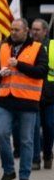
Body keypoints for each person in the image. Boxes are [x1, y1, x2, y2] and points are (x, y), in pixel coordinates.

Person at [0, 18, 48, 180]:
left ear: (26, 31)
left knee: (26, 141)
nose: (13, 32)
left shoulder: (38, 48)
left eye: (17, 29)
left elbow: (41, 72)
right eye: (12, 29)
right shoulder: (3, 47)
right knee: (1, 135)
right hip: (6, 99)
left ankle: (24, 176)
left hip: (28, 101)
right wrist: (0, 73)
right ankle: (9, 170)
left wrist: (19, 65)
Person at [32, 17, 54, 170]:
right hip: (32, 94)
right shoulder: (28, 46)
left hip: (51, 95)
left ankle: (47, 155)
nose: (34, 32)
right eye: (32, 29)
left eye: (37, 30)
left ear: (45, 31)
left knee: (49, 126)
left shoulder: (52, 46)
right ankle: (35, 160)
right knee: (33, 128)